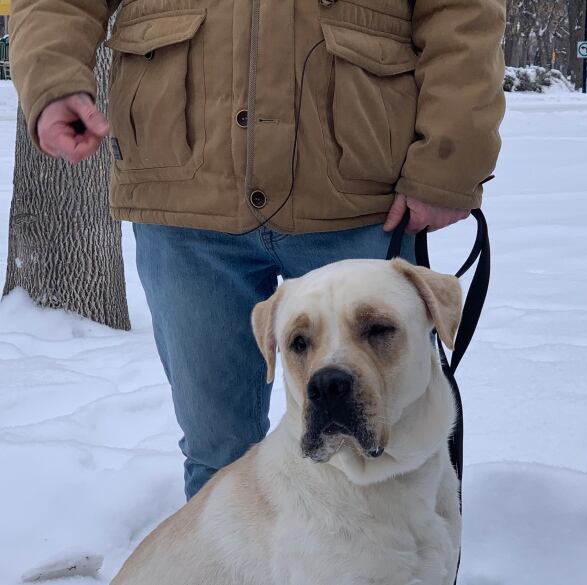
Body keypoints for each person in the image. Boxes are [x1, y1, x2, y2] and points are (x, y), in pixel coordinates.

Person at [10, 0, 505, 499]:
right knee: (217, 455)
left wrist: (451, 156)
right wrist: (52, 78)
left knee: (386, 439)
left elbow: (461, 10)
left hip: (358, 191)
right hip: (181, 194)